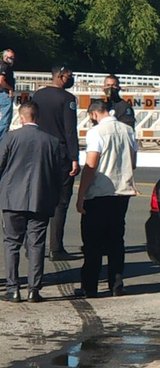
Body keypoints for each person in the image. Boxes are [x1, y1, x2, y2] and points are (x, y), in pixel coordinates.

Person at [0, 101, 63, 302]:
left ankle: (13, 288)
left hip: (12, 198)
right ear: (37, 117)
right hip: (41, 198)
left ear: (21, 117)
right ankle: (34, 290)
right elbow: (58, 174)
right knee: (36, 244)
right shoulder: (52, 141)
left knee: (12, 243)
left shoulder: (11, 137)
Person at [75, 100, 138, 297]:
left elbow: (91, 165)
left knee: (92, 242)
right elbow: (133, 162)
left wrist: (81, 194)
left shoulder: (96, 132)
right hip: (122, 192)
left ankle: (90, 286)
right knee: (116, 240)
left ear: (94, 114)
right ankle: (116, 284)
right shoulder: (128, 130)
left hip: (99, 193)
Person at [32, 65, 80, 261]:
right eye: (69, 75)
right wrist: (75, 157)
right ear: (60, 76)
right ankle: (56, 248)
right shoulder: (68, 99)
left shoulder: (38, 95)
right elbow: (70, 130)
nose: (71, 78)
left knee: (39, 199)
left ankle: (33, 246)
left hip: (40, 151)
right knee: (61, 202)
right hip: (60, 153)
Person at [0, 49, 16, 141]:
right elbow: (1, 81)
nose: (12, 59)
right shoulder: (5, 66)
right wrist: (10, 88)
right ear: (5, 57)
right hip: (4, 93)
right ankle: (2, 141)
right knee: (5, 120)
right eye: (11, 57)